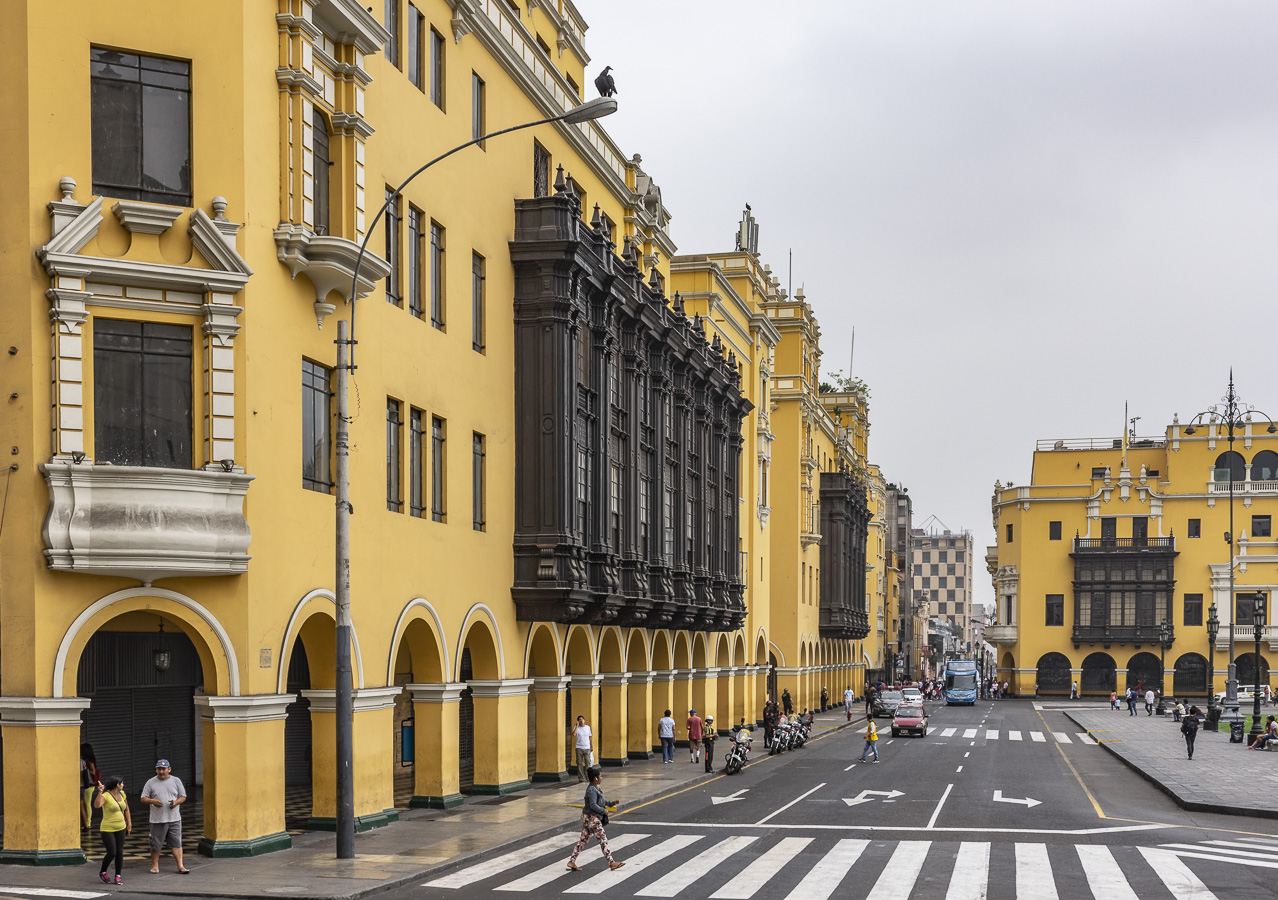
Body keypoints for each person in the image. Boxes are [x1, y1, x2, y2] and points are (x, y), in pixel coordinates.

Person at [566, 767, 624, 872]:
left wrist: (612, 803)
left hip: (587, 818)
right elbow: (593, 804)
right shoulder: (592, 790)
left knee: (583, 840)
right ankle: (611, 863)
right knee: (603, 839)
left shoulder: (594, 788)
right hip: (592, 819)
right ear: (596, 778)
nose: (602, 778)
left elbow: (601, 801)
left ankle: (572, 861)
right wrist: (603, 811)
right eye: (600, 776)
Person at [141, 759, 189, 875]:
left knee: (176, 843)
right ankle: (155, 866)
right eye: (159, 769)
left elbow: (183, 796)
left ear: (169, 769)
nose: (161, 772)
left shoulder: (176, 781)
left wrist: (176, 803)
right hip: (157, 819)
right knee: (155, 844)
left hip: (174, 818)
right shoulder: (150, 782)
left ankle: (180, 866)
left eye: (164, 769)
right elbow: (143, 798)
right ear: (156, 770)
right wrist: (152, 801)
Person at [93, 774, 131, 885]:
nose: (123, 785)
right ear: (117, 785)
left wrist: (129, 824)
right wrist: (100, 791)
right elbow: (97, 805)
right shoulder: (106, 795)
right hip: (107, 828)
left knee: (119, 852)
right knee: (112, 852)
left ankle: (118, 875)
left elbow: (126, 809)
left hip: (121, 827)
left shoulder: (122, 794)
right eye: (121, 783)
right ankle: (103, 872)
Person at [80, 743, 102, 831]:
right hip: (88, 785)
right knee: (86, 804)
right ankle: (87, 823)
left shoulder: (89, 761)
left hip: (89, 785)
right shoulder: (89, 759)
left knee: (87, 803)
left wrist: (85, 769)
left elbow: (93, 772)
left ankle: (88, 823)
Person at [572, 715, 594, 783]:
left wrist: (591, 745)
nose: (581, 721)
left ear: (584, 720)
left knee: (588, 762)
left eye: (582, 719)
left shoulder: (588, 727)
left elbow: (590, 737)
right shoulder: (576, 727)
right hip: (579, 748)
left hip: (587, 747)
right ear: (578, 721)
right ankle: (581, 777)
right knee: (579, 763)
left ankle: (587, 776)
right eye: (579, 720)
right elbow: (574, 734)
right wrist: (577, 726)